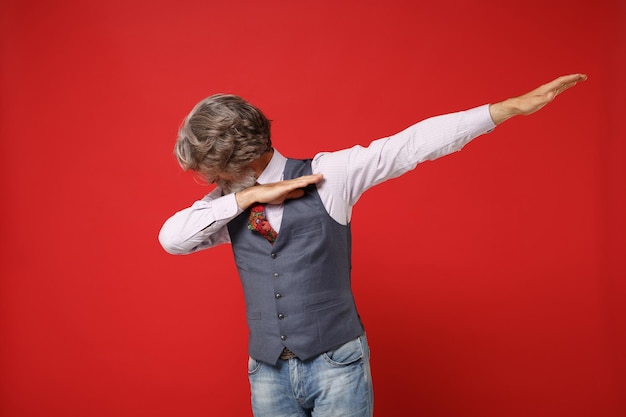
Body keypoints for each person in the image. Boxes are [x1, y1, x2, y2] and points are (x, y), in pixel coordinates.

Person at [159, 74, 587, 417]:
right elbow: (171, 240)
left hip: (336, 366)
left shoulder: (330, 175)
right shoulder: (227, 202)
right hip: (266, 371)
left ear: (243, 158)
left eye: (218, 172)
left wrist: (506, 109)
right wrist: (249, 197)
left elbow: (410, 145)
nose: (214, 183)